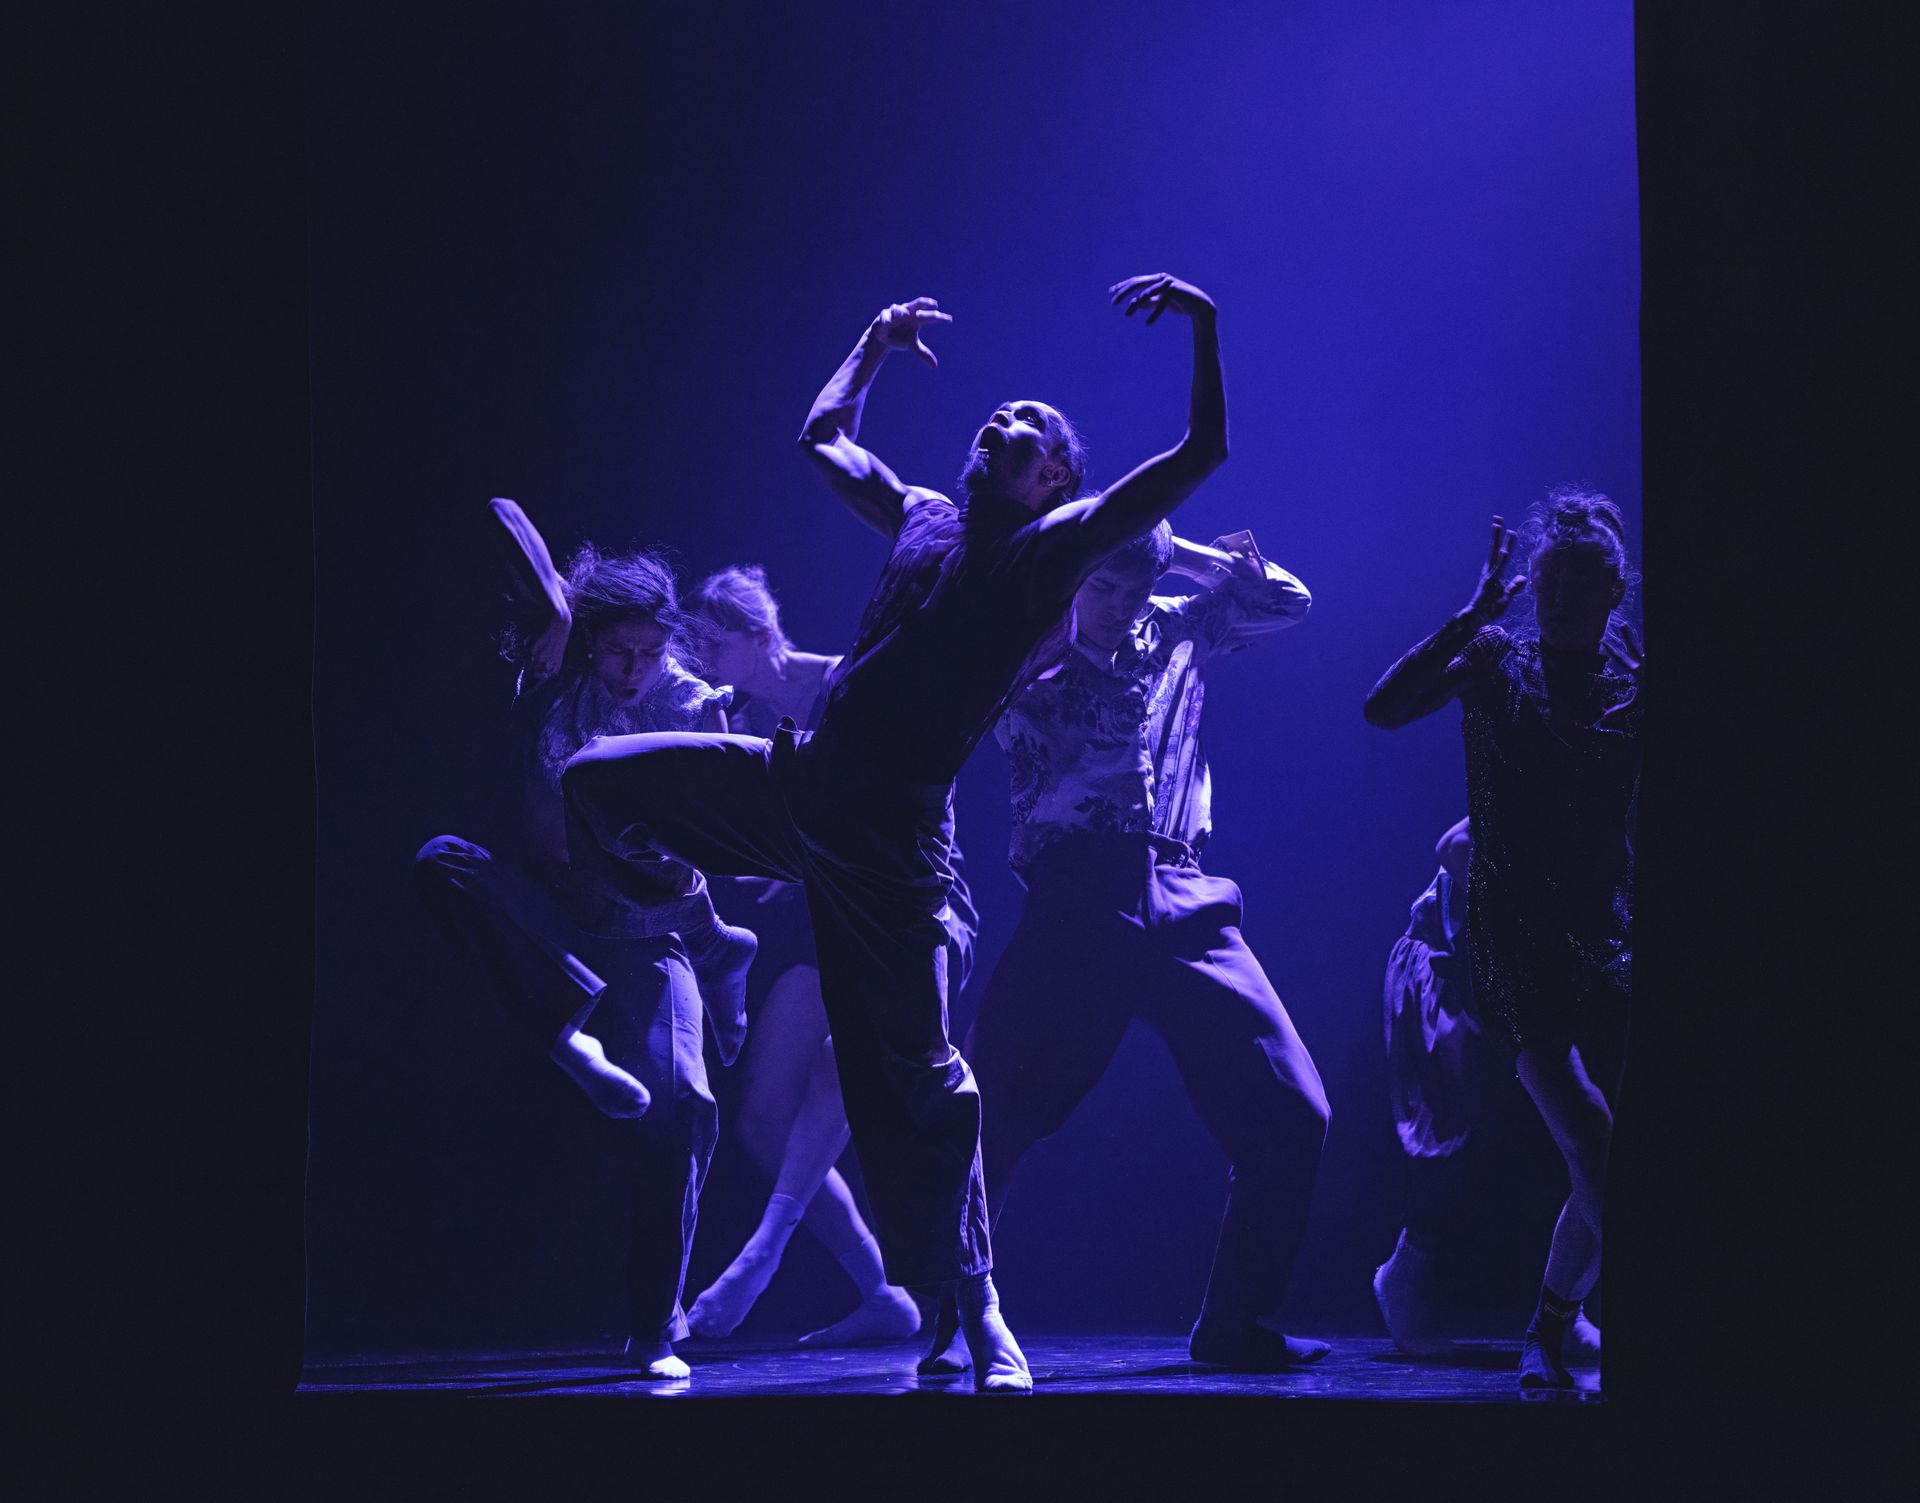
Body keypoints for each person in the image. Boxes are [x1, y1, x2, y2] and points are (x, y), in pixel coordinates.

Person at [560, 273, 1230, 1391]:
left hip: (891, 851)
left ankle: (980, 1313)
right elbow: (821, 432)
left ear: (1053, 476)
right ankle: (694, 921)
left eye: (1026, 431)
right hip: (796, 791)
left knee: (921, 1086)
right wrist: (871, 344)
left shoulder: (1047, 551)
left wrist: (1203, 328)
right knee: (594, 779)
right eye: (997, 416)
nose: (999, 424)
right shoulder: (922, 511)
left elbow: (1196, 453)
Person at [923, 518, 1329, 1374]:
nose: (1116, 606)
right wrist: (1092, 545)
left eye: (1131, 589)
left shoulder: (1178, 628)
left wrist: (1168, 546)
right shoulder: (1028, 658)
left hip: (1183, 894)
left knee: (1294, 1109)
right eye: (1100, 586)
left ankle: (1233, 1322)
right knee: (990, 1114)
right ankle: (950, 1311)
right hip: (1076, 900)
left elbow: (1288, 599)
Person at [412, 497, 755, 1379]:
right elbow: (500, 514)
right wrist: (561, 614)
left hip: (646, 928)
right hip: (559, 910)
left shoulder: (686, 699)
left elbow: (704, 837)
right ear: (592, 641)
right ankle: (570, 1041)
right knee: (442, 862)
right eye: (618, 651)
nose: (635, 668)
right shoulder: (558, 672)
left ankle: (654, 1325)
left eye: (650, 651)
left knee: (682, 1103)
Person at [1364, 489, 1642, 1389]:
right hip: (1509, 938)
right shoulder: (1494, 659)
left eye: (1576, 585)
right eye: (1545, 582)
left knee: (1605, 1147)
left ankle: (1551, 1327)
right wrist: (1469, 613)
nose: (1555, 598)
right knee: (1590, 1131)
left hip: (1604, 932)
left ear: (1612, 592)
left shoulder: (1633, 677)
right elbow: (1384, 708)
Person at [682, 565, 977, 1346]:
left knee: (848, 1052)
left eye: (715, 641)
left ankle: (761, 1252)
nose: (703, 655)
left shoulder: (846, 685)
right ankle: (884, 1291)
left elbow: (903, 804)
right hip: (822, 919)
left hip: (909, 907)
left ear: (758, 633)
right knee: (760, 1115)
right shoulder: (734, 716)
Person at [1371, 817, 1600, 1366]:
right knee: (1452, 1143)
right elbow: (1456, 846)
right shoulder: (1568, 761)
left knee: (1582, 1135)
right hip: (1451, 966)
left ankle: (1564, 1313)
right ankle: (1405, 1275)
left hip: (1528, 978)